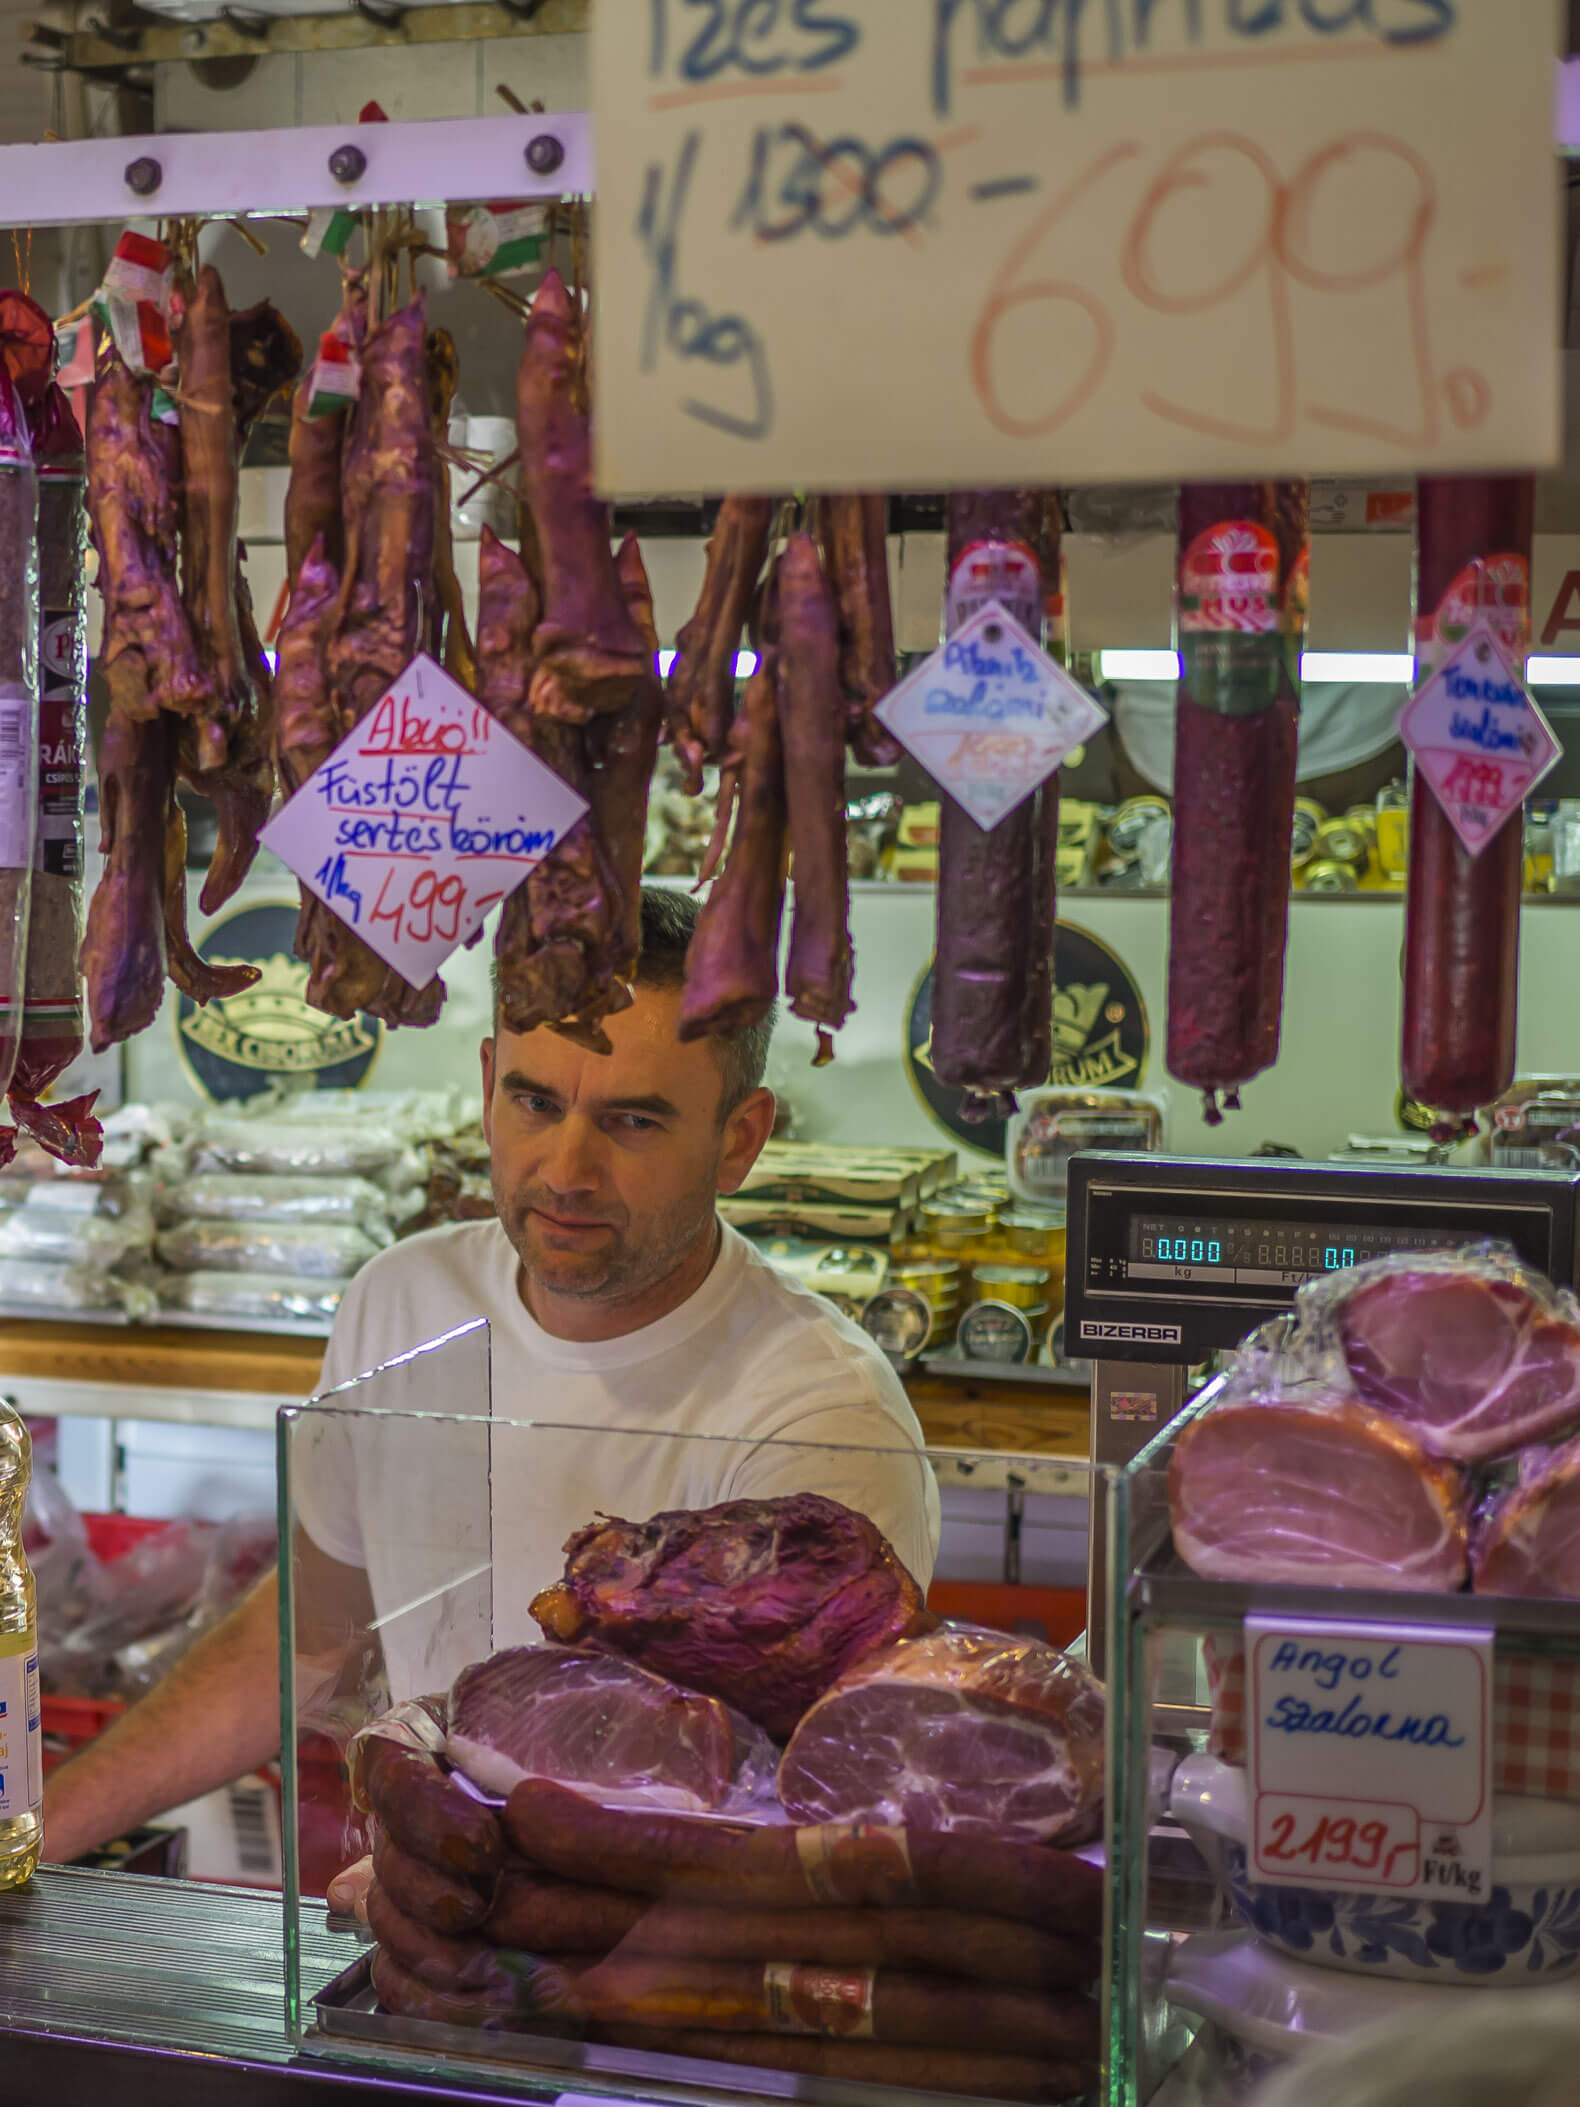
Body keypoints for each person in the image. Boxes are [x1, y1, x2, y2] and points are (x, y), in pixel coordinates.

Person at [43, 887, 940, 1867]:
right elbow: (310, 1641)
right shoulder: (403, 1299)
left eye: (632, 1121)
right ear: (485, 1082)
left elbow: (779, 1817)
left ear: (739, 1138)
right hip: (427, 1930)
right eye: (534, 1101)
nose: (565, 1168)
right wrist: (31, 1834)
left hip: (633, 1981)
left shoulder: (817, 1417)